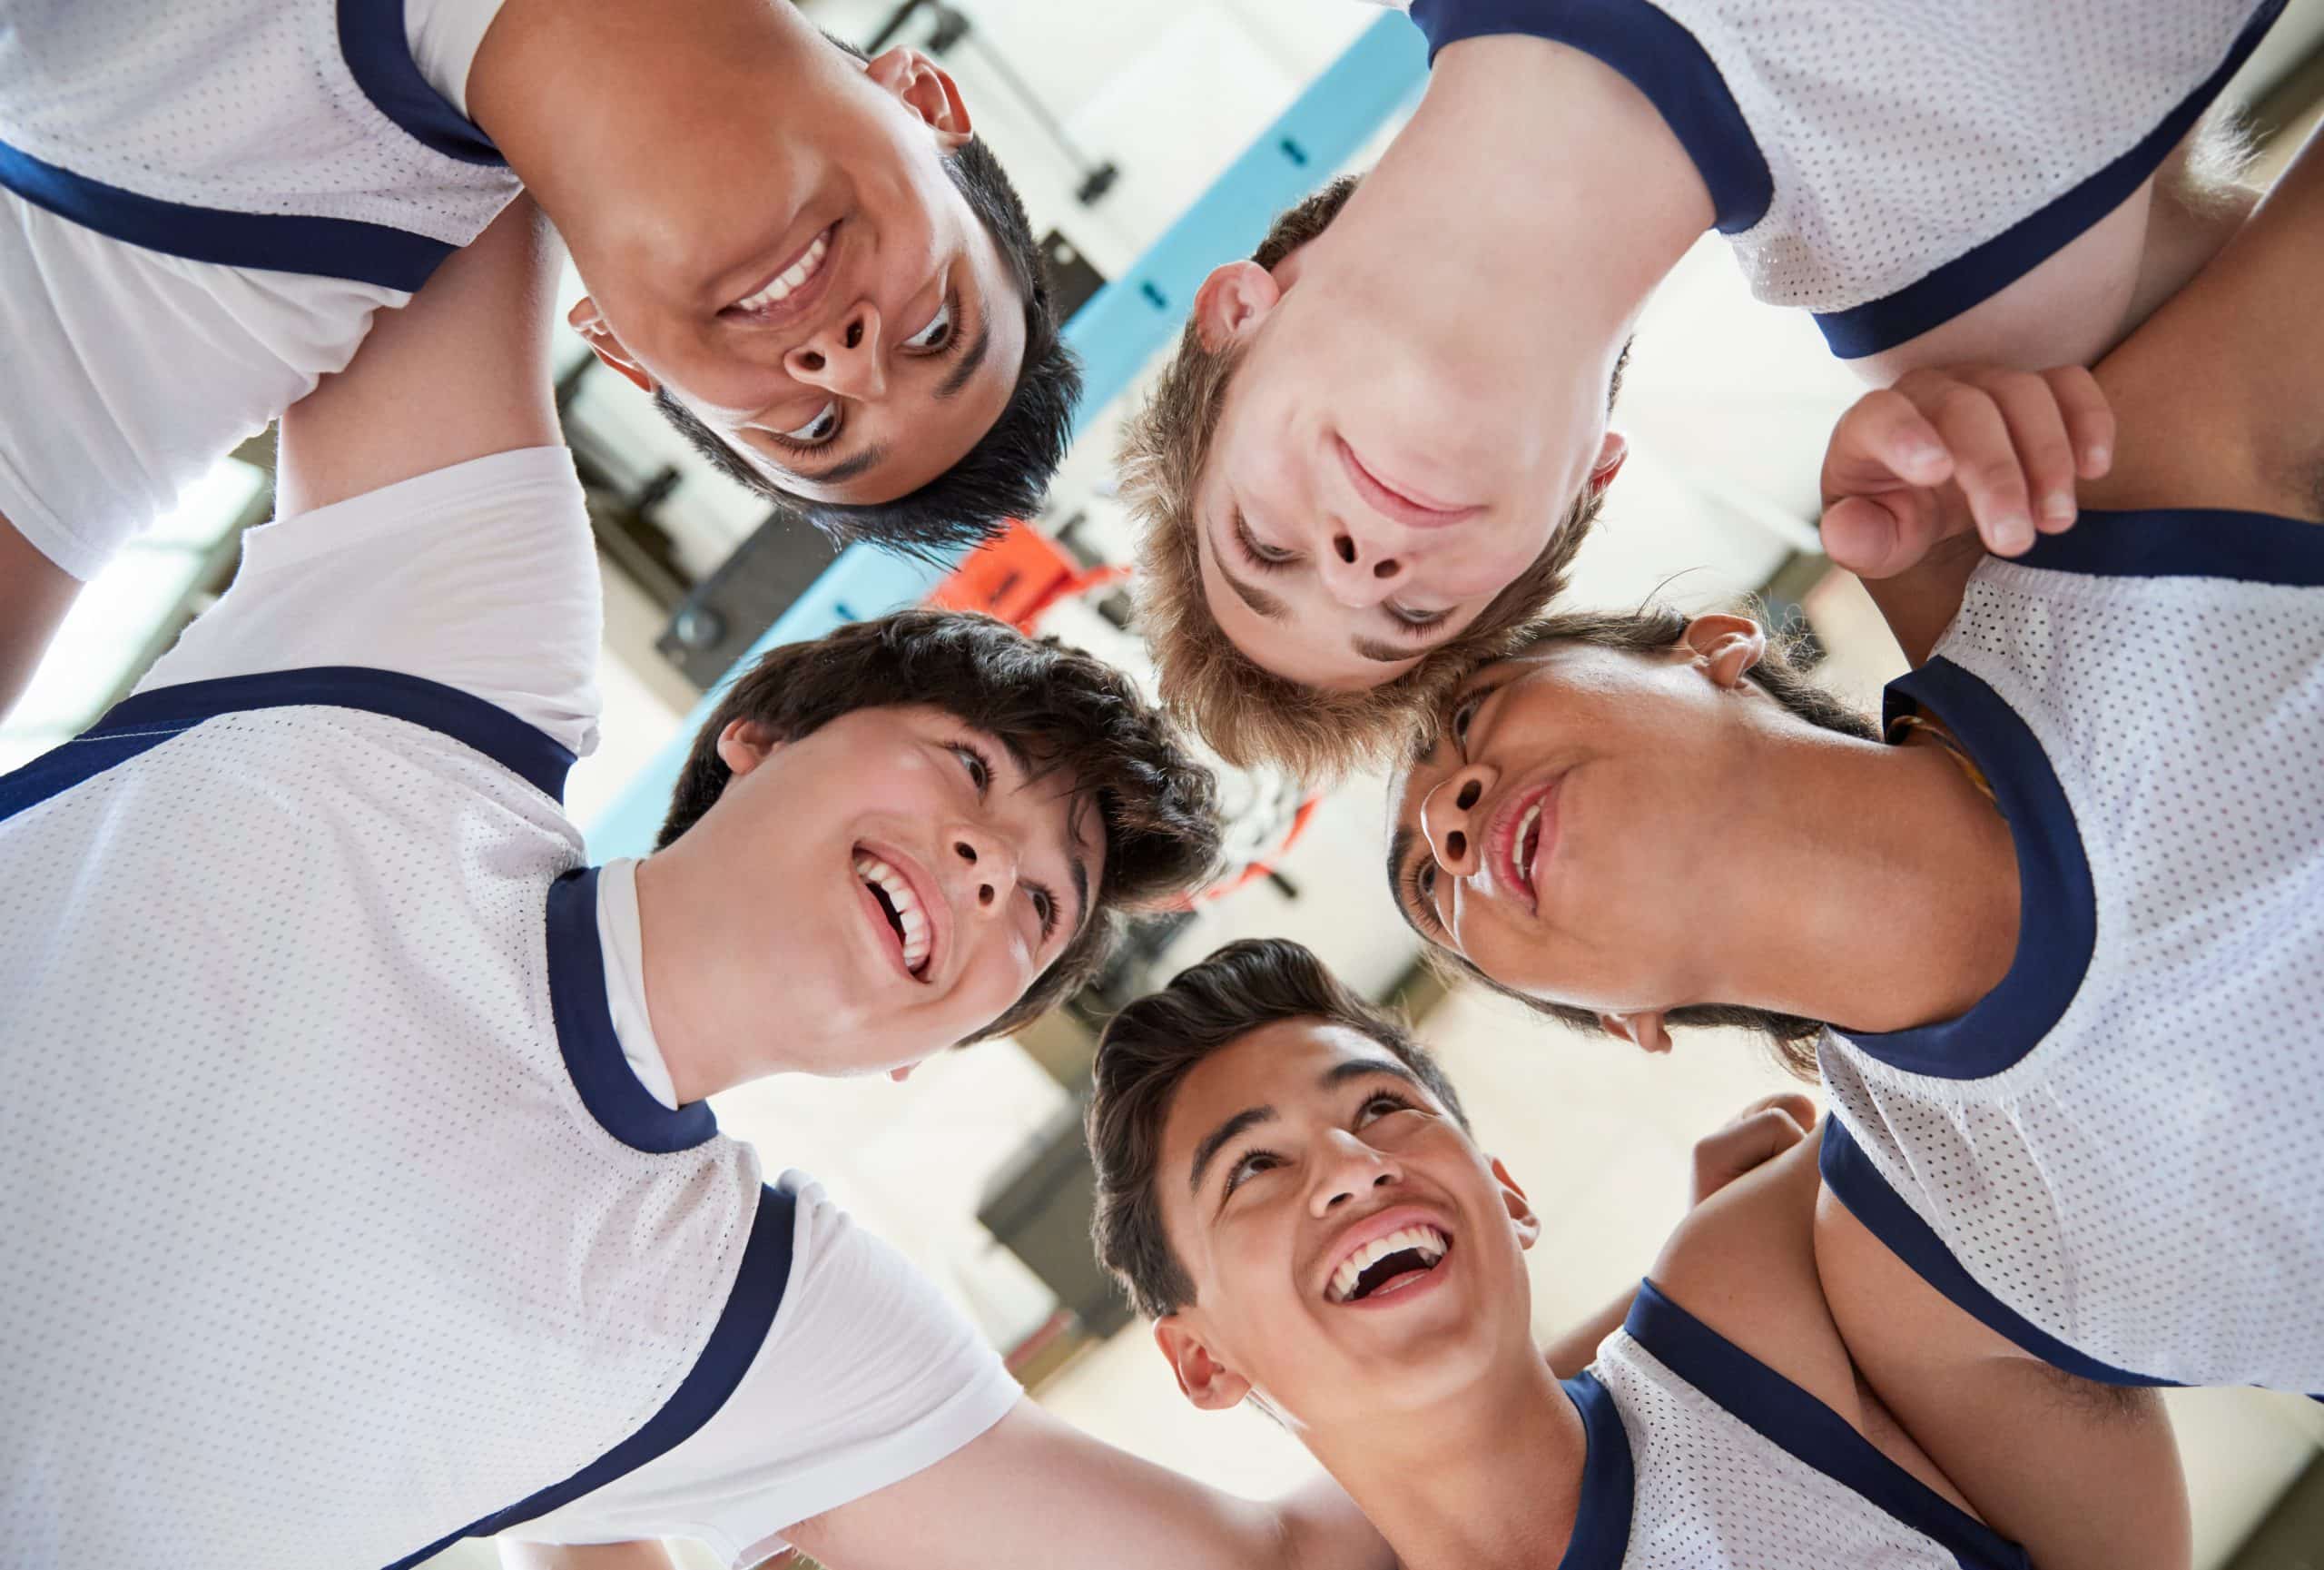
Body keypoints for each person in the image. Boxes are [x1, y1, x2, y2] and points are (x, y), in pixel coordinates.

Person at [0, 198, 1414, 1570]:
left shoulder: (751, 1321)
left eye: (1042, 909)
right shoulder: (444, 671)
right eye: (967, 769)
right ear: (759, 734)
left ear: (940, 1049)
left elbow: (1285, 1564)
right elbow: (444, 149)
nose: (993, 868)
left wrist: (1645, 1338)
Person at [1385, 122, 2324, 1395]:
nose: (1452, 821)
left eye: (1474, 716)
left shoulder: (2127, 547)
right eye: (1434, 887)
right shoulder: (1924, 1266)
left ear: (1711, 643)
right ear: (1624, 1019)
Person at [1117, 0, 2283, 775]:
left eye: (1264, 546)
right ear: (1589, 484)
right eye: (1410, 616)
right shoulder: (2000, 312)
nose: (1361, 568)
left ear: (1235, 316)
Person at [0, 0, 1079, 717]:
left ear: (615, 350)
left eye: (814, 432)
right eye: (934, 329)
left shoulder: (190, 300)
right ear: (924, 101)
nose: (844, 366)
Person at [1087, 938, 2189, 1570]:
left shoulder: (1758, 1304)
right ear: (1201, 1359)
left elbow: (2069, 1070)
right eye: (1252, 1168)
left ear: (1505, 1194)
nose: (1347, 1163)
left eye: (1380, 1106)